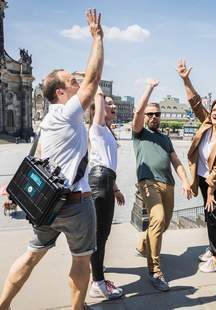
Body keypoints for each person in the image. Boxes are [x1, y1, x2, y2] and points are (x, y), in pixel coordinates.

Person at [0, 9, 103, 310]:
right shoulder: (66, 112)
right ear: (60, 92)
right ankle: (77, 308)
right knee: (81, 261)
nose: (77, 83)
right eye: (72, 81)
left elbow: (38, 158)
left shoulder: (49, 121)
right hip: (75, 203)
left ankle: (3, 304)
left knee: (32, 254)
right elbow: (94, 79)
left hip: (47, 205)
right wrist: (96, 38)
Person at [176, 59, 216, 273]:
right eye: (214, 108)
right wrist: (185, 79)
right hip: (204, 178)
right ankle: (214, 249)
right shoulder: (207, 123)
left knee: (214, 216)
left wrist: (211, 192)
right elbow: (195, 102)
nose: (215, 112)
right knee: (209, 215)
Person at [133, 79, 192, 291]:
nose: (154, 117)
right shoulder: (139, 133)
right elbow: (138, 111)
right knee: (157, 219)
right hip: (148, 182)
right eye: (150, 114)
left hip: (168, 184)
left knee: (163, 225)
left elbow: (176, 161)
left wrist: (185, 181)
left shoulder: (165, 138)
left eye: (157, 114)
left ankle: (144, 243)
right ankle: (155, 271)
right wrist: (149, 88)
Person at [87, 88, 125, 299]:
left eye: (114, 104)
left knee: (102, 235)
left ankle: (98, 277)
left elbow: (107, 162)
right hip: (100, 180)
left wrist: (115, 188)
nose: (113, 106)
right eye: (108, 103)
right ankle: (98, 283)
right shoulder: (98, 126)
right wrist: (96, 83)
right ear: (97, 110)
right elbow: (102, 166)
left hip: (105, 180)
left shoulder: (105, 131)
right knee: (100, 236)